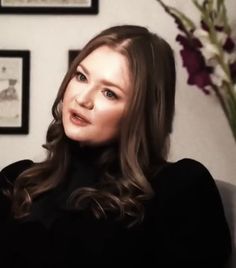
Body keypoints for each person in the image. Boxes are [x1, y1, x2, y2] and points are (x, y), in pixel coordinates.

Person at [0, 25, 232, 268]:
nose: (82, 99)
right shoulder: (16, 180)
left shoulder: (180, 188)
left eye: (109, 93)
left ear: (142, 112)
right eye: (81, 76)